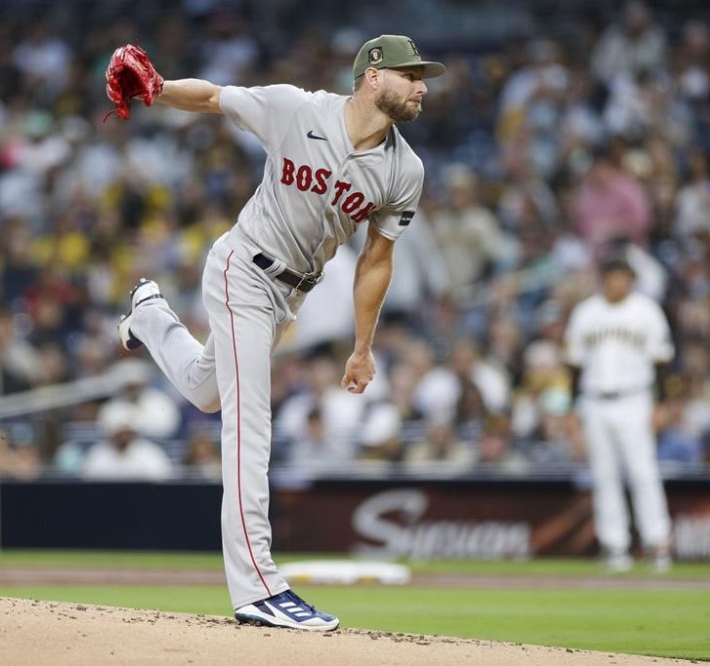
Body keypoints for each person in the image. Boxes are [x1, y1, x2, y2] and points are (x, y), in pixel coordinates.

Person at [113, 35, 444, 631]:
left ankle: (149, 315)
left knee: (205, 390)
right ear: (373, 76)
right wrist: (159, 92)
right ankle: (258, 586)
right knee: (249, 424)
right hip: (244, 267)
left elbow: (376, 262)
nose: (422, 86)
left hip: (290, 295)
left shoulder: (405, 170)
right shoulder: (298, 109)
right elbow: (215, 98)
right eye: (411, 74)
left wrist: (362, 347)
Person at [563, 249, 674, 572]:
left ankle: (658, 541)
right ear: (603, 280)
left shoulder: (646, 311)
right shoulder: (586, 312)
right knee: (604, 475)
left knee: (643, 472)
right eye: (612, 277)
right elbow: (573, 365)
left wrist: (662, 403)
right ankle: (614, 545)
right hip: (595, 400)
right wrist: (572, 407)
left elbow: (662, 361)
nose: (617, 283)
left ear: (632, 280)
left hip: (635, 398)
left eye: (623, 277)